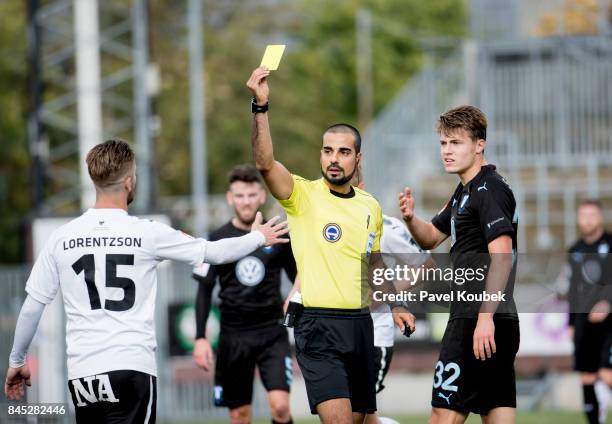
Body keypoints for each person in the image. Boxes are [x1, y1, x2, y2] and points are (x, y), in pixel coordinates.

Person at [4, 140, 290, 423]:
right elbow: (213, 253)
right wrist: (258, 237)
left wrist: (17, 361)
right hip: (131, 367)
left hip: (83, 375)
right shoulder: (146, 233)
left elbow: (32, 307)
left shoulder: (62, 237)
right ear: (129, 182)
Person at [246, 66, 416, 424]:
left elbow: (374, 262)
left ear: (357, 158)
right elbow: (264, 163)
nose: (333, 159)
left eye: (342, 152)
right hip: (318, 327)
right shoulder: (302, 195)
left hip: (361, 325)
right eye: (327, 151)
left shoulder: (370, 205)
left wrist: (397, 304)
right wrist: (260, 108)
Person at [399, 105, 519, 423]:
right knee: (497, 410)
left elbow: (502, 257)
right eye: (443, 143)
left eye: (456, 143)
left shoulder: (489, 190)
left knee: (442, 413)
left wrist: (483, 319)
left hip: (476, 317)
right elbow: (430, 238)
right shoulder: (464, 191)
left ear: (479, 144)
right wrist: (411, 218)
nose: (447, 151)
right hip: (493, 318)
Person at [192, 164, 297, 424]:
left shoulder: (278, 235)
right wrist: (200, 338)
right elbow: (204, 290)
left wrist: (294, 300)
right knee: (239, 415)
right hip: (233, 336)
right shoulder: (216, 240)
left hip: (272, 333)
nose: (246, 201)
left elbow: (300, 278)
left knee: (281, 408)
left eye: (251, 195)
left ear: (262, 196)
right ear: (230, 198)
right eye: (240, 196)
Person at [557, 199, 612, 424]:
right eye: (583, 216)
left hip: (610, 324)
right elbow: (572, 290)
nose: (588, 220)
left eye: (592, 215)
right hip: (583, 324)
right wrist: (571, 323)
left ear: (600, 217)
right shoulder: (575, 250)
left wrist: (608, 303)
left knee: (607, 374)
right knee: (587, 376)